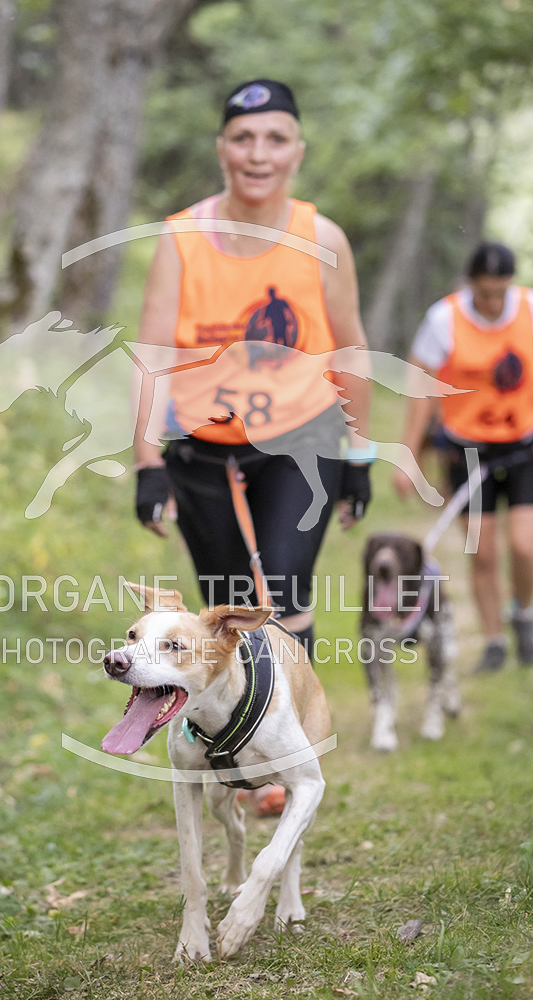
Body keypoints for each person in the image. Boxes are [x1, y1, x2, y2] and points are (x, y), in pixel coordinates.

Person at [132, 80, 373, 810]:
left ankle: (286, 760)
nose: (258, 154)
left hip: (303, 438)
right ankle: (235, 745)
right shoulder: (181, 237)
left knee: (284, 594)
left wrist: (359, 454)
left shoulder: (323, 238)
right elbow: (152, 353)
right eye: (243, 138)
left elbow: (352, 349)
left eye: (275, 139)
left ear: (297, 151)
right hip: (202, 448)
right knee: (228, 607)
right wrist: (147, 463)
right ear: (221, 149)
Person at [394, 241, 533, 673]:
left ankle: (522, 612)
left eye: (500, 292)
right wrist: (409, 456)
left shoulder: (529, 310)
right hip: (466, 450)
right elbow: (421, 390)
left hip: (523, 445)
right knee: (483, 552)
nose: (492, 302)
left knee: (525, 544)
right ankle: (494, 641)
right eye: (484, 292)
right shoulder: (444, 319)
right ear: (470, 284)